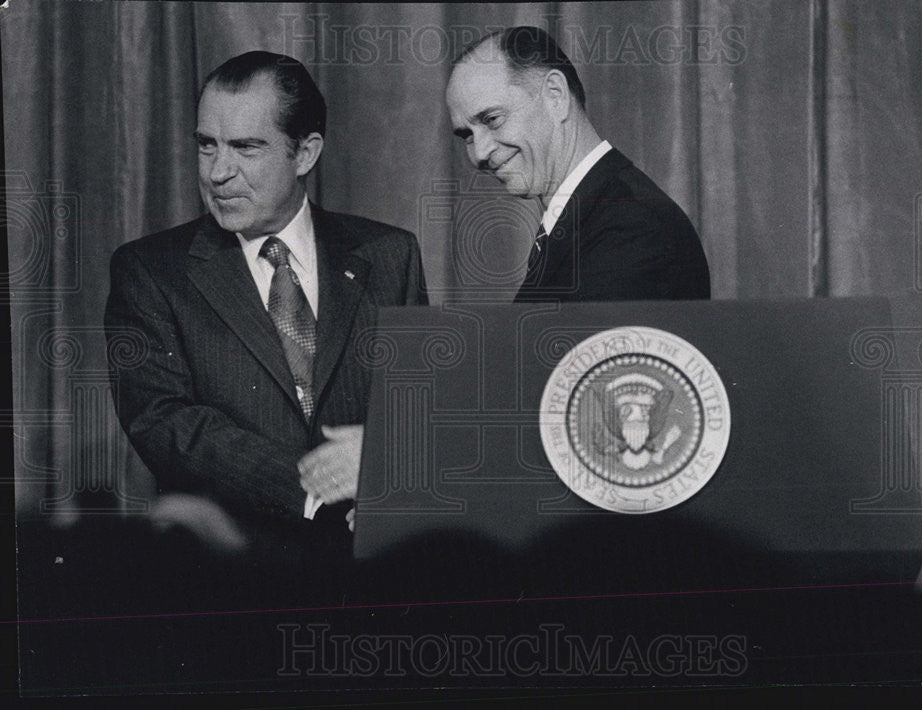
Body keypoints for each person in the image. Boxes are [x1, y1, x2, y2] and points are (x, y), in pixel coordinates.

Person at [104, 51, 426, 583]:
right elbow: (164, 423)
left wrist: (388, 467)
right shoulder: (150, 270)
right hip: (229, 575)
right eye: (207, 145)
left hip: (374, 571)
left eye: (246, 147)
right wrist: (315, 486)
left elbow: (415, 407)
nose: (218, 172)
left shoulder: (390, 254)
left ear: (305, 153)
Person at [446, 27, 710, 302]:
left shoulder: (632, 231)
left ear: (555, 95)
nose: (479, 153)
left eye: (492, 119)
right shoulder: (596, 220)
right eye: (466, 135)